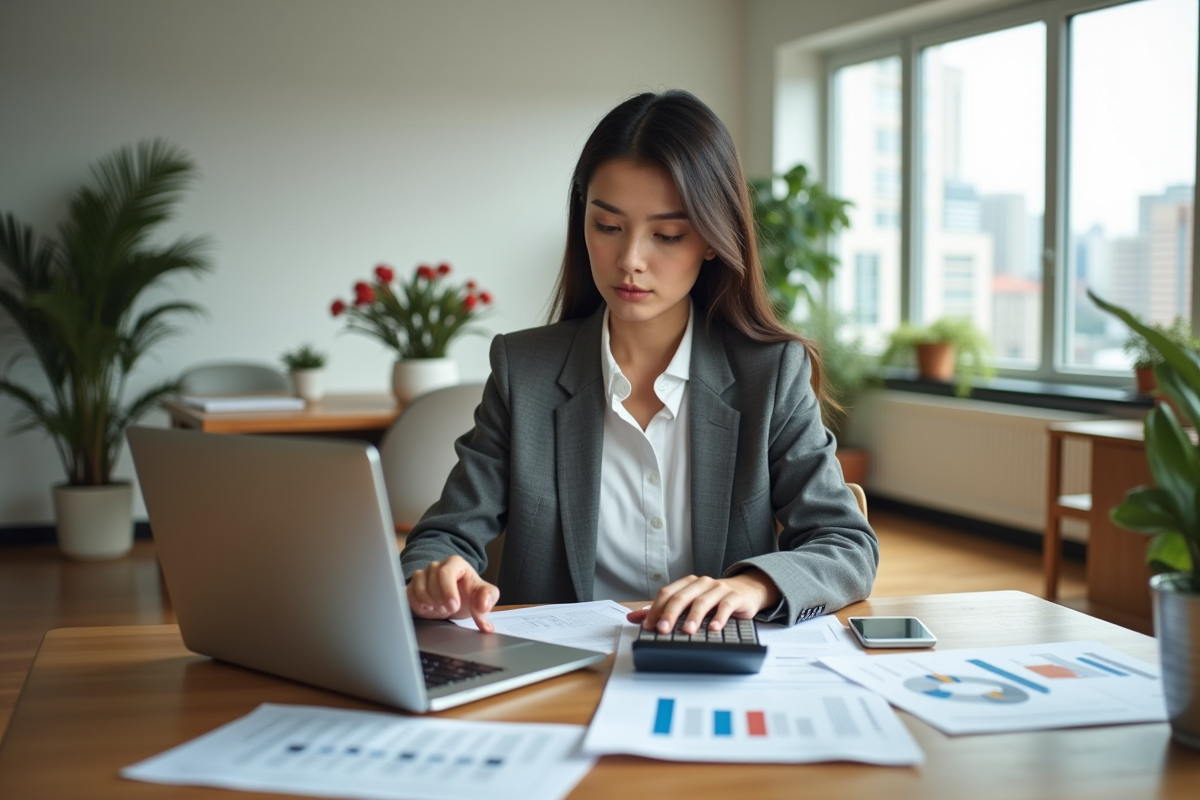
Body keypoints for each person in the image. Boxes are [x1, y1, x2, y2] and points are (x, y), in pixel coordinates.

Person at [401, 89, 878, 636]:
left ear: (711, 240)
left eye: (667, 234)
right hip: (560, 677)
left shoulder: (769, 374)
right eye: (607, 226)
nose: (630, 260)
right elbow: (443, 538)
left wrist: (751, 585)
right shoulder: (523, 370)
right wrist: (436, 576)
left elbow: (846, 545)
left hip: (714, 667)